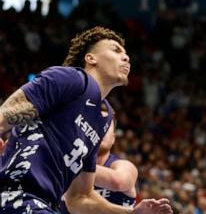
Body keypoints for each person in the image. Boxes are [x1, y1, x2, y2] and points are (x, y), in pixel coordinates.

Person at [0, 26, 172, 214]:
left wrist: (133, 213)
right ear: (91, 58)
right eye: (115, 50)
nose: (126, 57)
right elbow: (5, 114)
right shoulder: (72, 78)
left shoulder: (101, 120)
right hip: (16, 196)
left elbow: (80, 198)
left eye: (126, 54)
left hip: (45, 205)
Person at [60, 103, 138, 213]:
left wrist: (70, 163)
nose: (99, 130)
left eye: (105, 126)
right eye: (94, 124)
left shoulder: (124, 165)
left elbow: (118, 182)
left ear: (113, 138)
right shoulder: (63, 165)